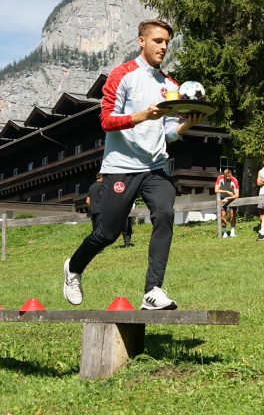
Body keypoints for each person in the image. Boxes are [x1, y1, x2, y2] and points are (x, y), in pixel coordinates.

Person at [63, 18, 203, 311]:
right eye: (158, 41)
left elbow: (166, 132)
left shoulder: (170, 86)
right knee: (107, 234)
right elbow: (106, 121)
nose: (164, 47)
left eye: (167, 42)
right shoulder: (122, 75)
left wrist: (185, 126)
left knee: (164, 214)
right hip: (121, 166)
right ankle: (73, 268)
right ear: (142, 41)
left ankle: (152, 290)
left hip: (155, 168)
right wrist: (142, 116)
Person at [214, 167, 240, 238]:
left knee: (233, 215)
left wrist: (228, 198)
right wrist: (226, 192)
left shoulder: (234, 180)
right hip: (222, 198)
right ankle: (224, 232)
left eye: (229, 176)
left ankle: (232, 232)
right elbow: (216, 190)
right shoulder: (220, 178)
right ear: (224, 175)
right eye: (226, 176)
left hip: (232, 198)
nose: (228, 177)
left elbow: (237, 195)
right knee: (223, 215)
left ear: (231, 175)